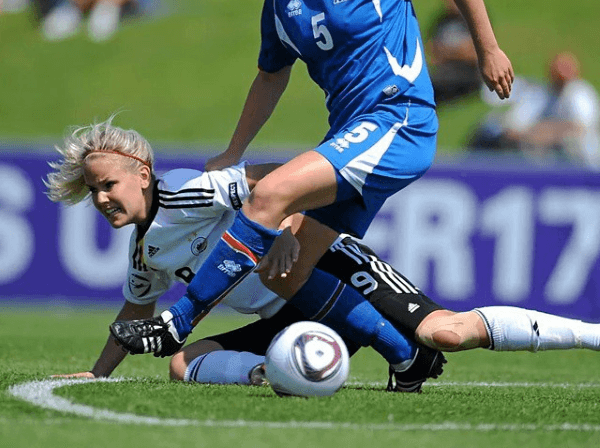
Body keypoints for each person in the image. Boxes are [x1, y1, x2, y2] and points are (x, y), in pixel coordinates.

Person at [109, 0, 514, 371]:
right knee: (286, 269)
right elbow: (271, 75)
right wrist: (234, 151)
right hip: (354, 136)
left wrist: (489, 51)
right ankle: (405, 354)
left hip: (399, 122)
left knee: (271, 193)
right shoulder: (282, 1)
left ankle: (179, 321)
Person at [47, 120, 600, 392]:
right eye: (93, 190)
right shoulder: (145, 250)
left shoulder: (190, 192)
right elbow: (134, 314)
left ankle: (588, 334)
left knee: (446, 334)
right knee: (181, 365)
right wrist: (98, 376)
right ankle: (282, 373)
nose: (101, 199)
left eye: (108, 185)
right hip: (286, 316)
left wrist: (287, 222)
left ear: (143, 174)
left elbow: (274, 180)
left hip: (328, 266)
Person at [468, 51, 600, 167]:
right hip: (543, 156)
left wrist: (543, 132)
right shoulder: (541, 94)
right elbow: (514, 127)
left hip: (582, 160)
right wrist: (532, 135)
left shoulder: (580, 94)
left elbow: (580, 128)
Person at [426, 0, 481, 105]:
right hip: (442, 75)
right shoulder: (441, 22)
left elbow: (474, 54)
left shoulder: (474, 20)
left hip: (467, 78)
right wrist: (459, 50)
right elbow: (432, 55)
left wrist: (446, 52)